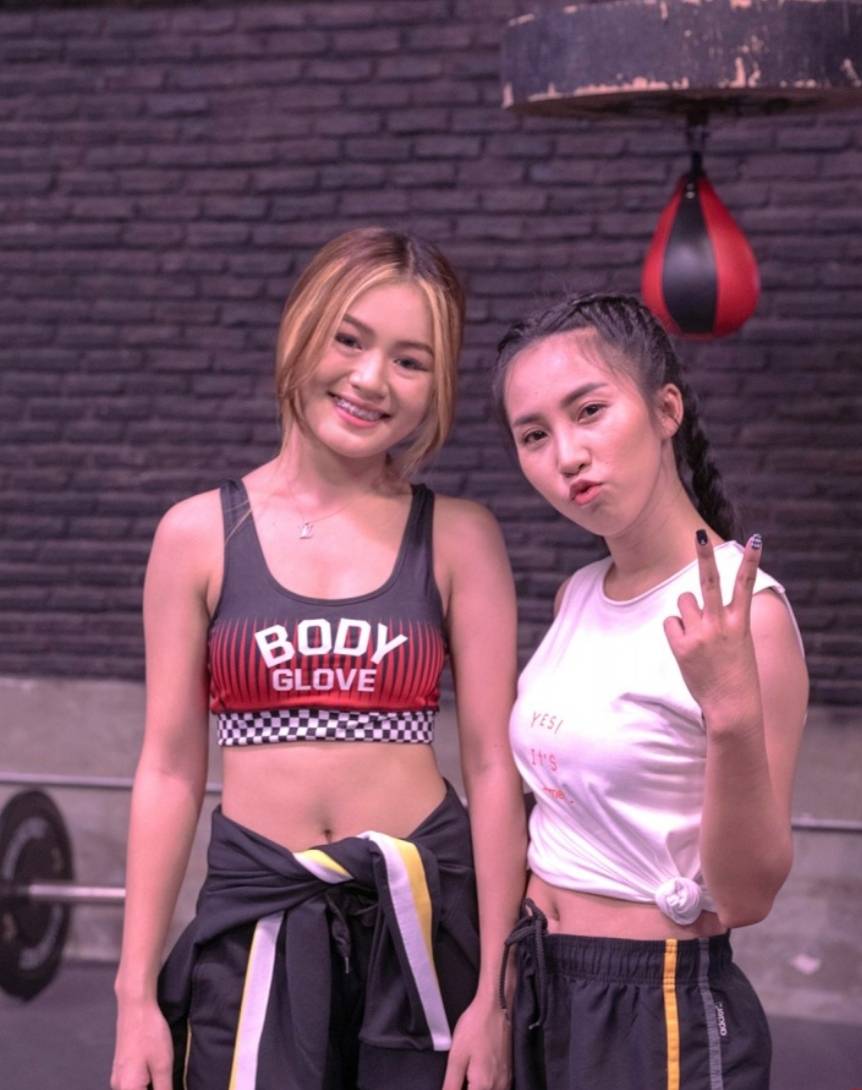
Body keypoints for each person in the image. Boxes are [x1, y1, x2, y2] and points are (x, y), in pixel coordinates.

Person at [110, 227, 527, 1090]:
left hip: (423, 914)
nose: (371, 379)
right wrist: (133, 996)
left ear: (437, 386)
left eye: (410, 361)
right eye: (349, 339)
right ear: (301, 331)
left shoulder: (459, 536)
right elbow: (170, 769)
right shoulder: (197, 534)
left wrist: (494, 989)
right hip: (257, 909)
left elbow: (493, 767)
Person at [493, 292, 809, 1090]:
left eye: (589, 411)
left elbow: (746, 896)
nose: (566, 455)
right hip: (540, 980)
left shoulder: (747, 613)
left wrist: (729, 709)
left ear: (665, 409)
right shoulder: (576, 593)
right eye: (534, 435)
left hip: (651, 1005)